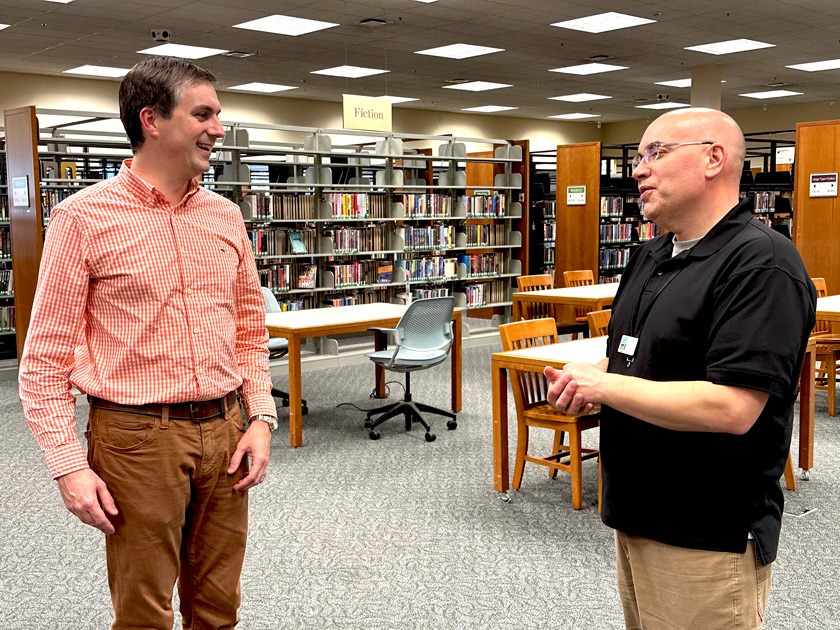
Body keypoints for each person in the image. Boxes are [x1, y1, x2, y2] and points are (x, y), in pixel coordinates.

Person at [19, 56, 279, 628]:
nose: (218, 128)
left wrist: (260, 416)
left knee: (218, 605)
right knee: (144, 610)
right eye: (204, 114)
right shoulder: (82, 218)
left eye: (219, 115)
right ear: (152, 120)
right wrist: (67, 467)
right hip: (136, 440)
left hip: (227, 430)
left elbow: (249, 331)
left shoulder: (225, 216)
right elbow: (42, 362)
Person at [545, 108, 816, 629]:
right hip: (636, 511)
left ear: (714, 159)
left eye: (657, 153)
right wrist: (595, 381)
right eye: (639, 157)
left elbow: (734, 406)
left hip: (705, 529)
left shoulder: (761, 265)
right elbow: (636, 357)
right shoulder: (651, 256)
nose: (639, 170)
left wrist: (606, 383)